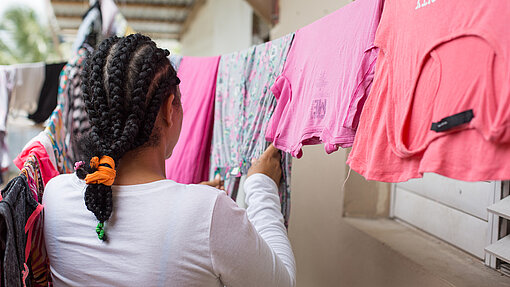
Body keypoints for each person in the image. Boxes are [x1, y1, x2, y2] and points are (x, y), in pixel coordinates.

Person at [42, 34, 296, 286]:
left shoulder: (55, 196)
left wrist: (187, 207)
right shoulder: (208, 214)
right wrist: (261, 185)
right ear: (169, 107)